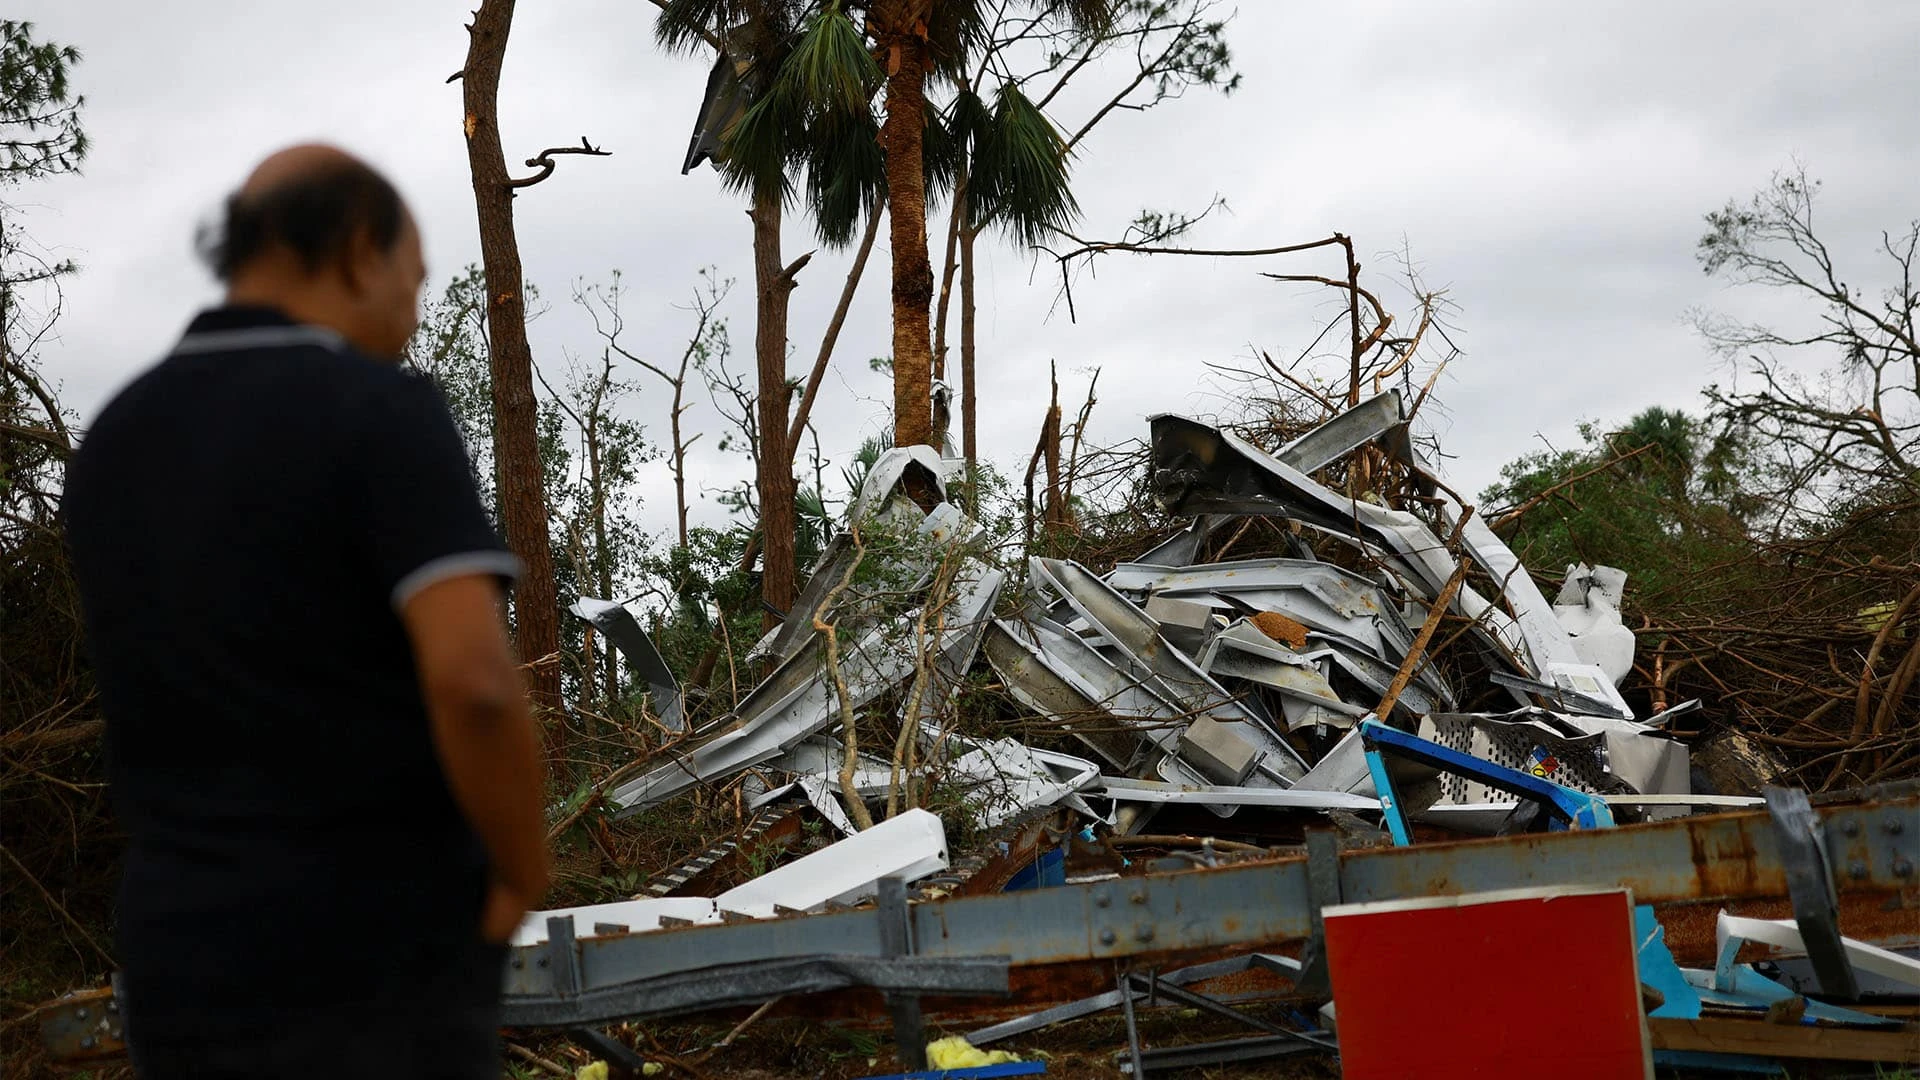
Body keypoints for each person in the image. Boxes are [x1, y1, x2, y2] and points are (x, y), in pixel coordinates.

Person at [63, 145, 550, 1078]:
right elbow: (476, 681)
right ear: (360, 250)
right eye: (413, 282)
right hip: (375, 954)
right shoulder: (377, 413)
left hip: (180, 957)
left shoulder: (115, 439)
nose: (412, 316)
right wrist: (521, 872)